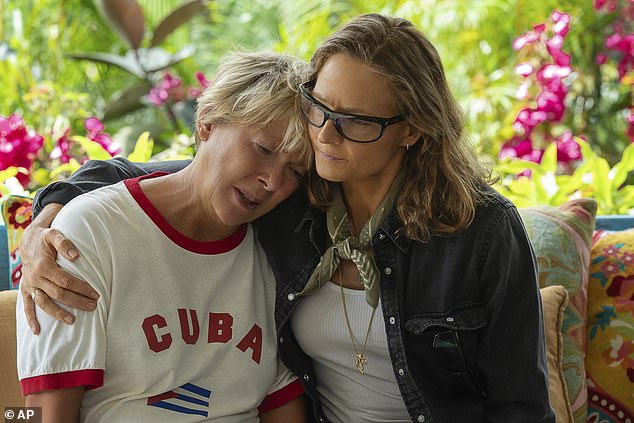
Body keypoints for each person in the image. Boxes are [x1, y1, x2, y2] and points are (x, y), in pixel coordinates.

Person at [19, 14, 555, 423]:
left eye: (354, 122)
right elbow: (174, 177)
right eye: (319, 108)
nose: (324, 135)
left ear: (412, 129)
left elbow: (520, 406)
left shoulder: (480, 230)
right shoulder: (298, 200)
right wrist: (46, 219)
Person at [15, 52, 311, 423]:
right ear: (206, 122)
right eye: (263, 149)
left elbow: (280, 399)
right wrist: (47, 215)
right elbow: (45, 414)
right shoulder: (88, 232)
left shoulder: (277, 246)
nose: (272, 181)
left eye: (295, 171)